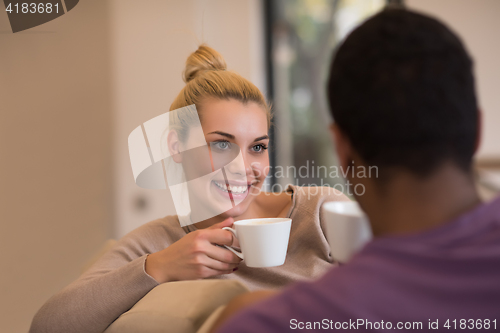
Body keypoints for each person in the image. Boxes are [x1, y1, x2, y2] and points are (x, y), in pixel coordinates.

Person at [213, 8, 500, 333]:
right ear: (477, 131)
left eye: (258, 146)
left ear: (342, 152)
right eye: (222, 145)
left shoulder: (263, 322)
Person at [29, 45, 348, 333]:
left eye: (257, 147)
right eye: (222, 144)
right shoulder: (160, 242)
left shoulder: (321, 212)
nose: (242, 166)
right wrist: (159, 266)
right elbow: (48, 325)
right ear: (176, 146)